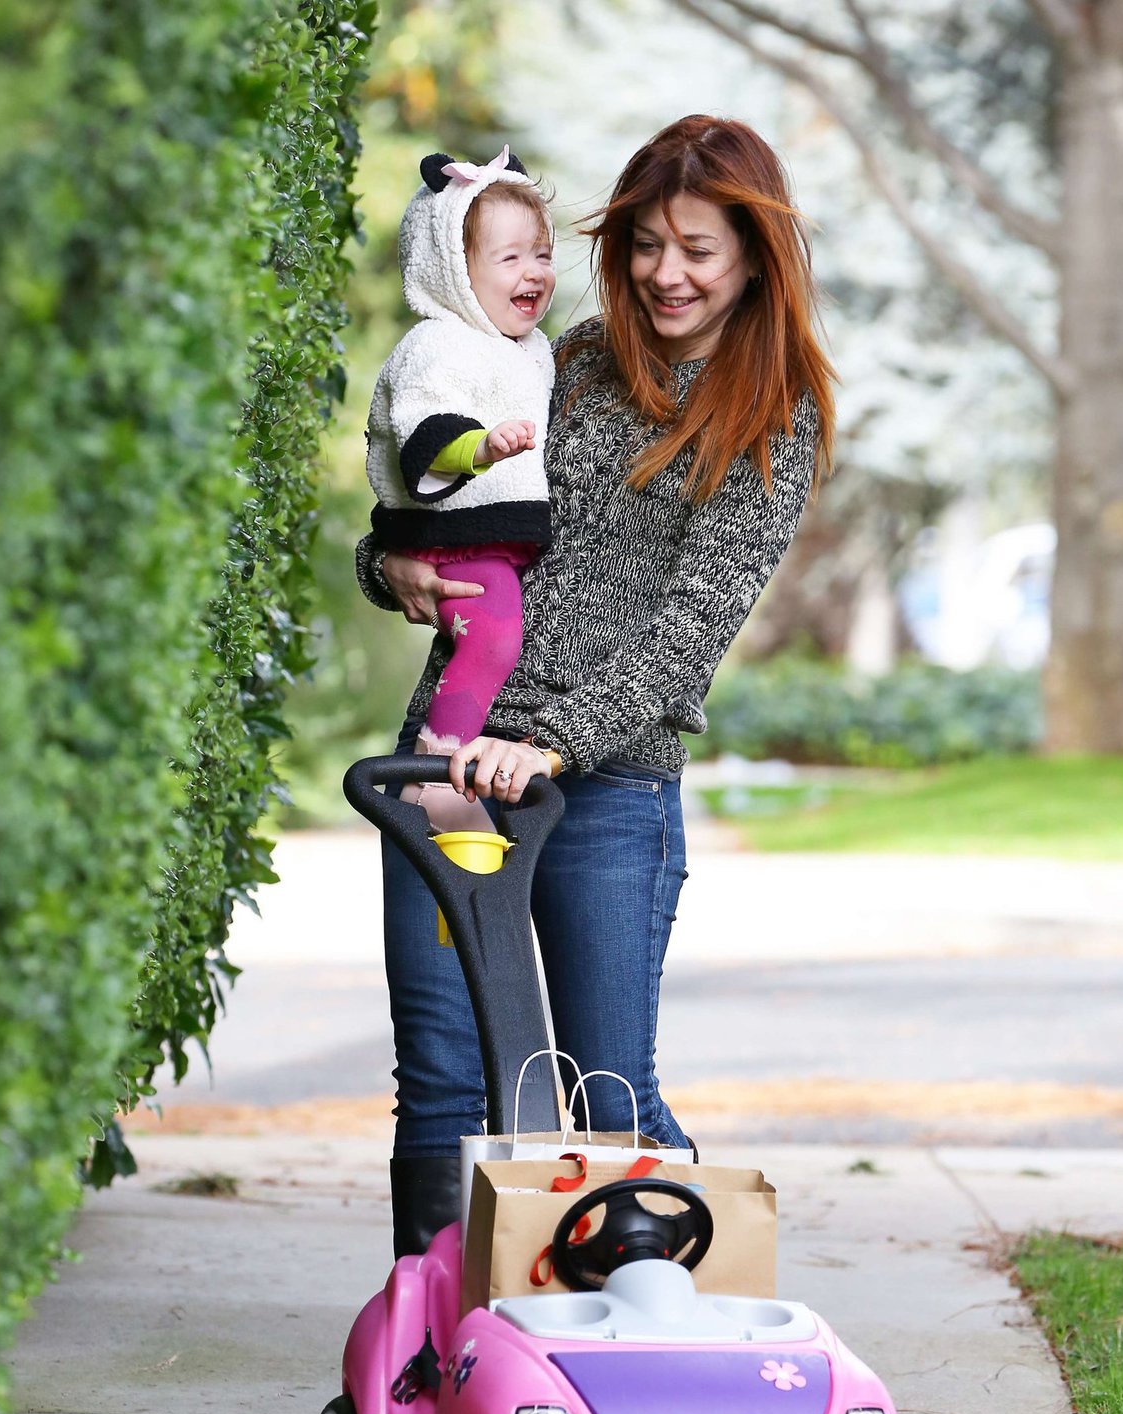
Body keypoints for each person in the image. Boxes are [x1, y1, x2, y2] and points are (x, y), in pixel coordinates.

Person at [355, 115, 837, 1259]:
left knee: (603, 1098)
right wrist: (390, 567)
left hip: (607, 793)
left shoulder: (775, 415)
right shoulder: (558, 360)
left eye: (698, 250)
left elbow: (687, 639)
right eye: (644, 245)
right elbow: (435, 508)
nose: (665, 274)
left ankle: (692, 1322)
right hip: (445, 775)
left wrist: (554, 742)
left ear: (753, 259)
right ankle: (440, 1355)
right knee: (440, 1083)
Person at [365, 143, 556, 828]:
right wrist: (479, 448)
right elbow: (422, 426)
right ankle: (437, 769)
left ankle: (439, 764)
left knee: (492, 635)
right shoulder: (438, 346)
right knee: (495, 637)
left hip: (485, 537)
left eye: (542, 254)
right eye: (510, 258)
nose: (534, 271)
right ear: (454, 273)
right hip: (450, 536)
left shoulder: (526, 350)